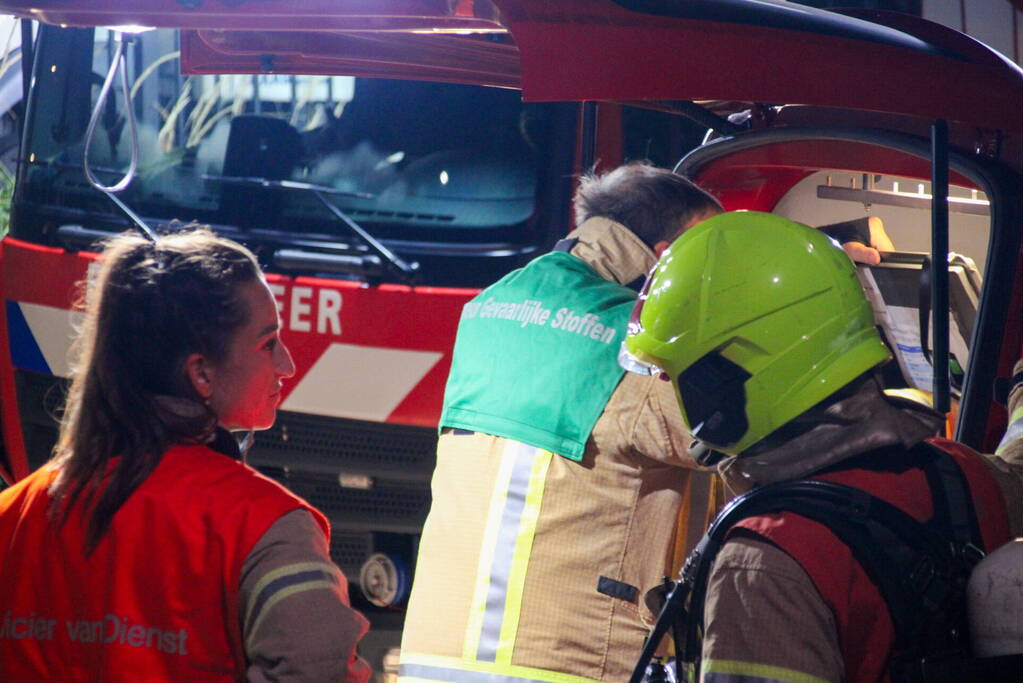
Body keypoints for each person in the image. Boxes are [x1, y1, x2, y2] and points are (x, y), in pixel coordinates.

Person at [622, 210, 1023, 683]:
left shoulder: (764, 560)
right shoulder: (964, 475)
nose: (668, 383)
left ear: (731, 373)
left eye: (681, 370)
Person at [396, 162, 724, 683]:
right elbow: (744, 433)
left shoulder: (490, 305)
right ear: (668, 258)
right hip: (563, 660)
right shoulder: (636, 345)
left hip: (434, 654)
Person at [0, 229, 370, 682]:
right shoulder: (265, 525)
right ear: (201, 374)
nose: (286, 365)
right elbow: (320, 673)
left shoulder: (13, 517)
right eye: (267, 342)